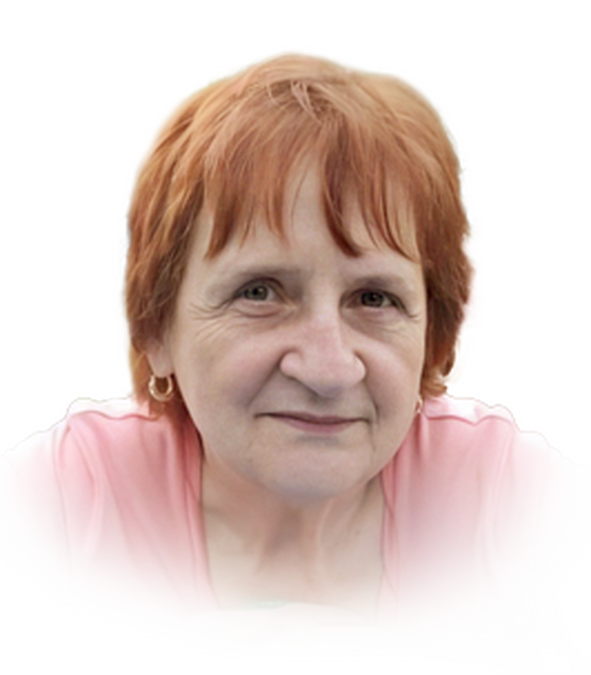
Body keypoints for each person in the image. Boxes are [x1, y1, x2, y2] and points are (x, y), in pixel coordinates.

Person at [1, 46, 589, 668]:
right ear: (155, 327)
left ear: (432, 337)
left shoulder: (510, 497)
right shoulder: (64, 500)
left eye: (374, 298)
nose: (327, 369)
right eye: (259, 292)